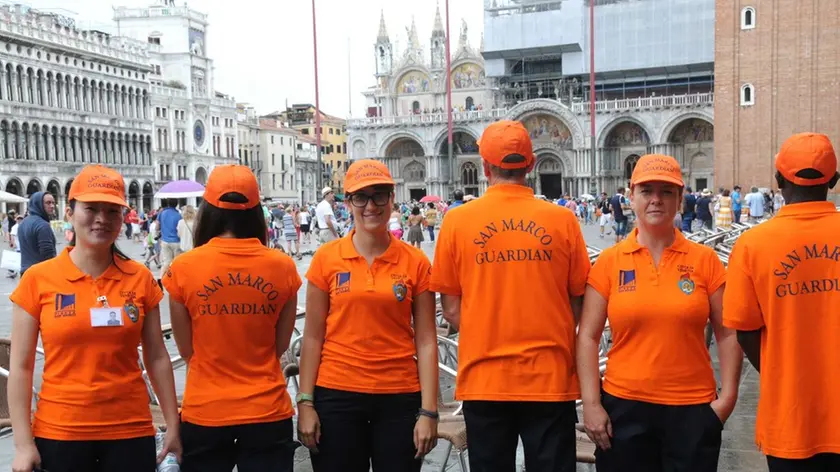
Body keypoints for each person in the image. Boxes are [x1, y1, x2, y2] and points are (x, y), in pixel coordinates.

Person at [430, 120, 591, 472]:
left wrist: (487, 325)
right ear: (530, 166)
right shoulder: (563, 221)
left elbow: (451, 309)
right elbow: (578, 300)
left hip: (484, 379)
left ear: (485, 167)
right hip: (550, 379)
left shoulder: (456, 223)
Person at [8, 164, 181, 472]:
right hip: (61, 432)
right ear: (70, 211)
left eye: (113, 210)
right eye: (91, 208)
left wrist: (173, 424)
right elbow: (20, 367)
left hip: (130, 431)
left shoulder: (139, 278)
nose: (102, 219)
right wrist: (23, 444)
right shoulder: (38, 279)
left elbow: (156, 356)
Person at [577, 154, 742, 472]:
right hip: (624, 408)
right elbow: (587, 335)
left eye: (666, 191)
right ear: (631, 197)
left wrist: (728, 399)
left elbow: (728, 331)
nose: (656, 199)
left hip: (692, 408)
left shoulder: (704, 260)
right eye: (646, 190)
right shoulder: (611, 262)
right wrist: (592, 404)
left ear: (680, 198)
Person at [297, 159, 438, 472]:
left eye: (379, 195)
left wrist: (429, 411)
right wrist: (305, 402)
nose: (370, 205)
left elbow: (427, 340)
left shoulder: (415, 262)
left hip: (399, 396)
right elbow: (313, 336)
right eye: (360, 197)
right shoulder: (326, 259)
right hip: (336, 394)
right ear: (348, 203)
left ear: (392, 199)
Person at [163, 165, 301, 472]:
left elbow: (186, 350)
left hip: (205, 411)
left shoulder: (183, 269)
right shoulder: (283, 267)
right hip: (267, 409)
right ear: (256, 212)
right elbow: (279, 344)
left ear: (208, 210)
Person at [723, 132, 840, 472]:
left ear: (778, 181)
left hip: (790, 418)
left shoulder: (752, 245)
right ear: (833, 180)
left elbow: (743, 332)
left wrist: (781, 371)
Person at [17, 191, 57, 276]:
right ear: (37, 204)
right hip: (40, 275)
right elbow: (48, 255)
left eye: (53, 203)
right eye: (48, 203)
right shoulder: (43, 225)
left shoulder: (22, 223)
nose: (52, 206)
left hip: (25, 273)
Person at [157, 199, 182, 276]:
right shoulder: (178, 215)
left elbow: (157, 227)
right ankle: (175, 279)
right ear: (177, 204)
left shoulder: (162, 213)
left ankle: (162, 279)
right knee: (176, 263)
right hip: (176, 241)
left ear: (168, 204)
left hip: (165, 241)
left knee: (166, 262)